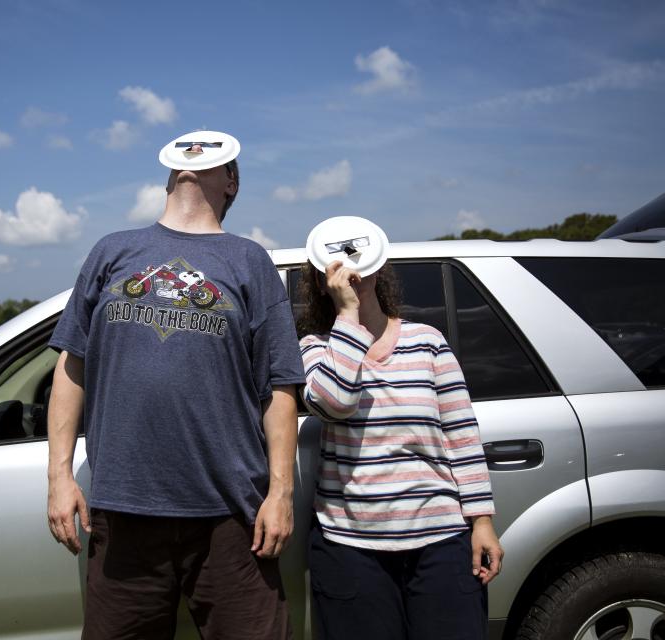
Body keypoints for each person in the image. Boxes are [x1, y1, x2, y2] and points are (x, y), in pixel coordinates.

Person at [46, 130, 305, 639]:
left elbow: (280, 386)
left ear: (231, 181)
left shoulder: (249, 260)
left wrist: (280, 493)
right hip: (124, 510)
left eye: (211, 160)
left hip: (232, 517)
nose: (193, 161)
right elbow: (71, 366)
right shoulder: (112, 251)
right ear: (167, 173)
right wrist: (58, 475)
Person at [297, 247, 504, 639]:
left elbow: (461, 433)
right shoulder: (316, 348)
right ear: (323, 284)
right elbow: (335, 402)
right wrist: (348, 315)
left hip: (440, 542)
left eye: (358, 258)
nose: (352, 269)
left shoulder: (427, 341)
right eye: (337, 265)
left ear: (378, 267)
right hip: (349, 545)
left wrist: (482, 522)